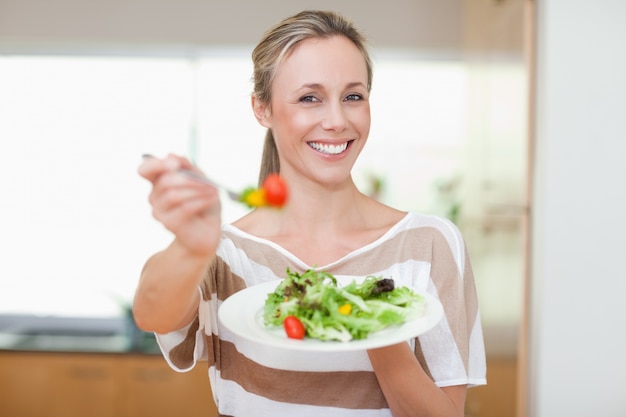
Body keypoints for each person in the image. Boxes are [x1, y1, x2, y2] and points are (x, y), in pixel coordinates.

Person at [135, 9, 486, 417]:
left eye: (353, 96)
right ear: (262, 109)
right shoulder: (226, 252)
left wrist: (372, 321)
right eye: (309, 98)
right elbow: (152, 312)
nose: (337, 121)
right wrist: (192, 247)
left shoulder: (429, 242)